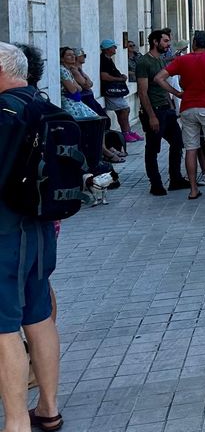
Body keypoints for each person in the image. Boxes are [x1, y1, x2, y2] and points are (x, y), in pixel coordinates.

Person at [0, 43, 63, 432]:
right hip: (39, 230)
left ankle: (15, 421)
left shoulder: (5, 114)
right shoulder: (44, 105)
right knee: (39, 318)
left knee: (4, 329)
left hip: (5, 232)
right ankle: (48, 409)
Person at [156, 31, 205, 200]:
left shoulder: (182, 60)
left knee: (191, 149)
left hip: (187, 107)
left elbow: (159, 78)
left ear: (194, 44)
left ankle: (193, 188)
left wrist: (177, 93)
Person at [137, 30, 188, 194]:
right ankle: (156, 183)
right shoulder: (144, 62)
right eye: (165, 41)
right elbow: (143, 92)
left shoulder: (159, 61)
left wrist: (173, 101)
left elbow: (162, 85)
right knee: (152, 148)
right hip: (154, 111)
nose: (168, 44)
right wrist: (151, 116)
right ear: (155, 42)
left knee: (178, 143)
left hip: (167, 110)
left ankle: (176, 179)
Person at [99, 39, 139, 142]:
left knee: (123, 110)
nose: (115, 49)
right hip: (111, 90)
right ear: (107, 49)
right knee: (124, 109)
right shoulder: (103, 59)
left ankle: (127, 131)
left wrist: (121, 75)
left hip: (116, 90)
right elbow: (104, 76)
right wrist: (119, 79)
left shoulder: (109, 59)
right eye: (113, 47)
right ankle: (125, 133)